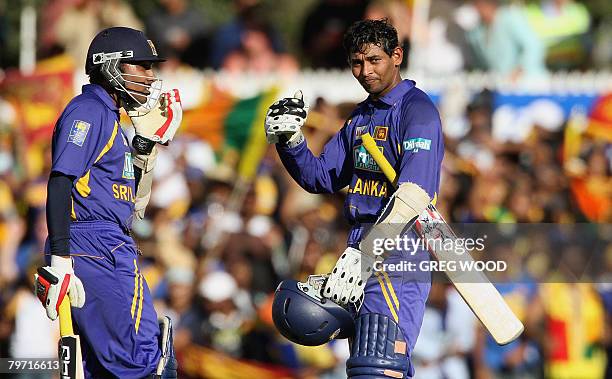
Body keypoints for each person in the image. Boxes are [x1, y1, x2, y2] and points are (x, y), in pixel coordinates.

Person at [265, 19, 444, 378]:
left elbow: (414, 194)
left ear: (397, 56)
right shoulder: (361, 116)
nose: (365, 72)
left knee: (377, 367)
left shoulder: (416, 111)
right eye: (357, 63)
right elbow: (322, 177)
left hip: (399, 248)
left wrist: (367, 255)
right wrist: (291, 142)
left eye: (375, 60)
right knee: (371, 367)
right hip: (358, 245)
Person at [33, 27, 182, 378]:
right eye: (142, 66)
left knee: (110, 366)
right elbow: (60, 181)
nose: (151, 76)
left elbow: (130, 206)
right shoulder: (89, 110)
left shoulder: (112, 120)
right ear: (112, 66)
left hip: (107, 243)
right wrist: (61, 256)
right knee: (143, 363)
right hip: (93, 246)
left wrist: (144, 147)